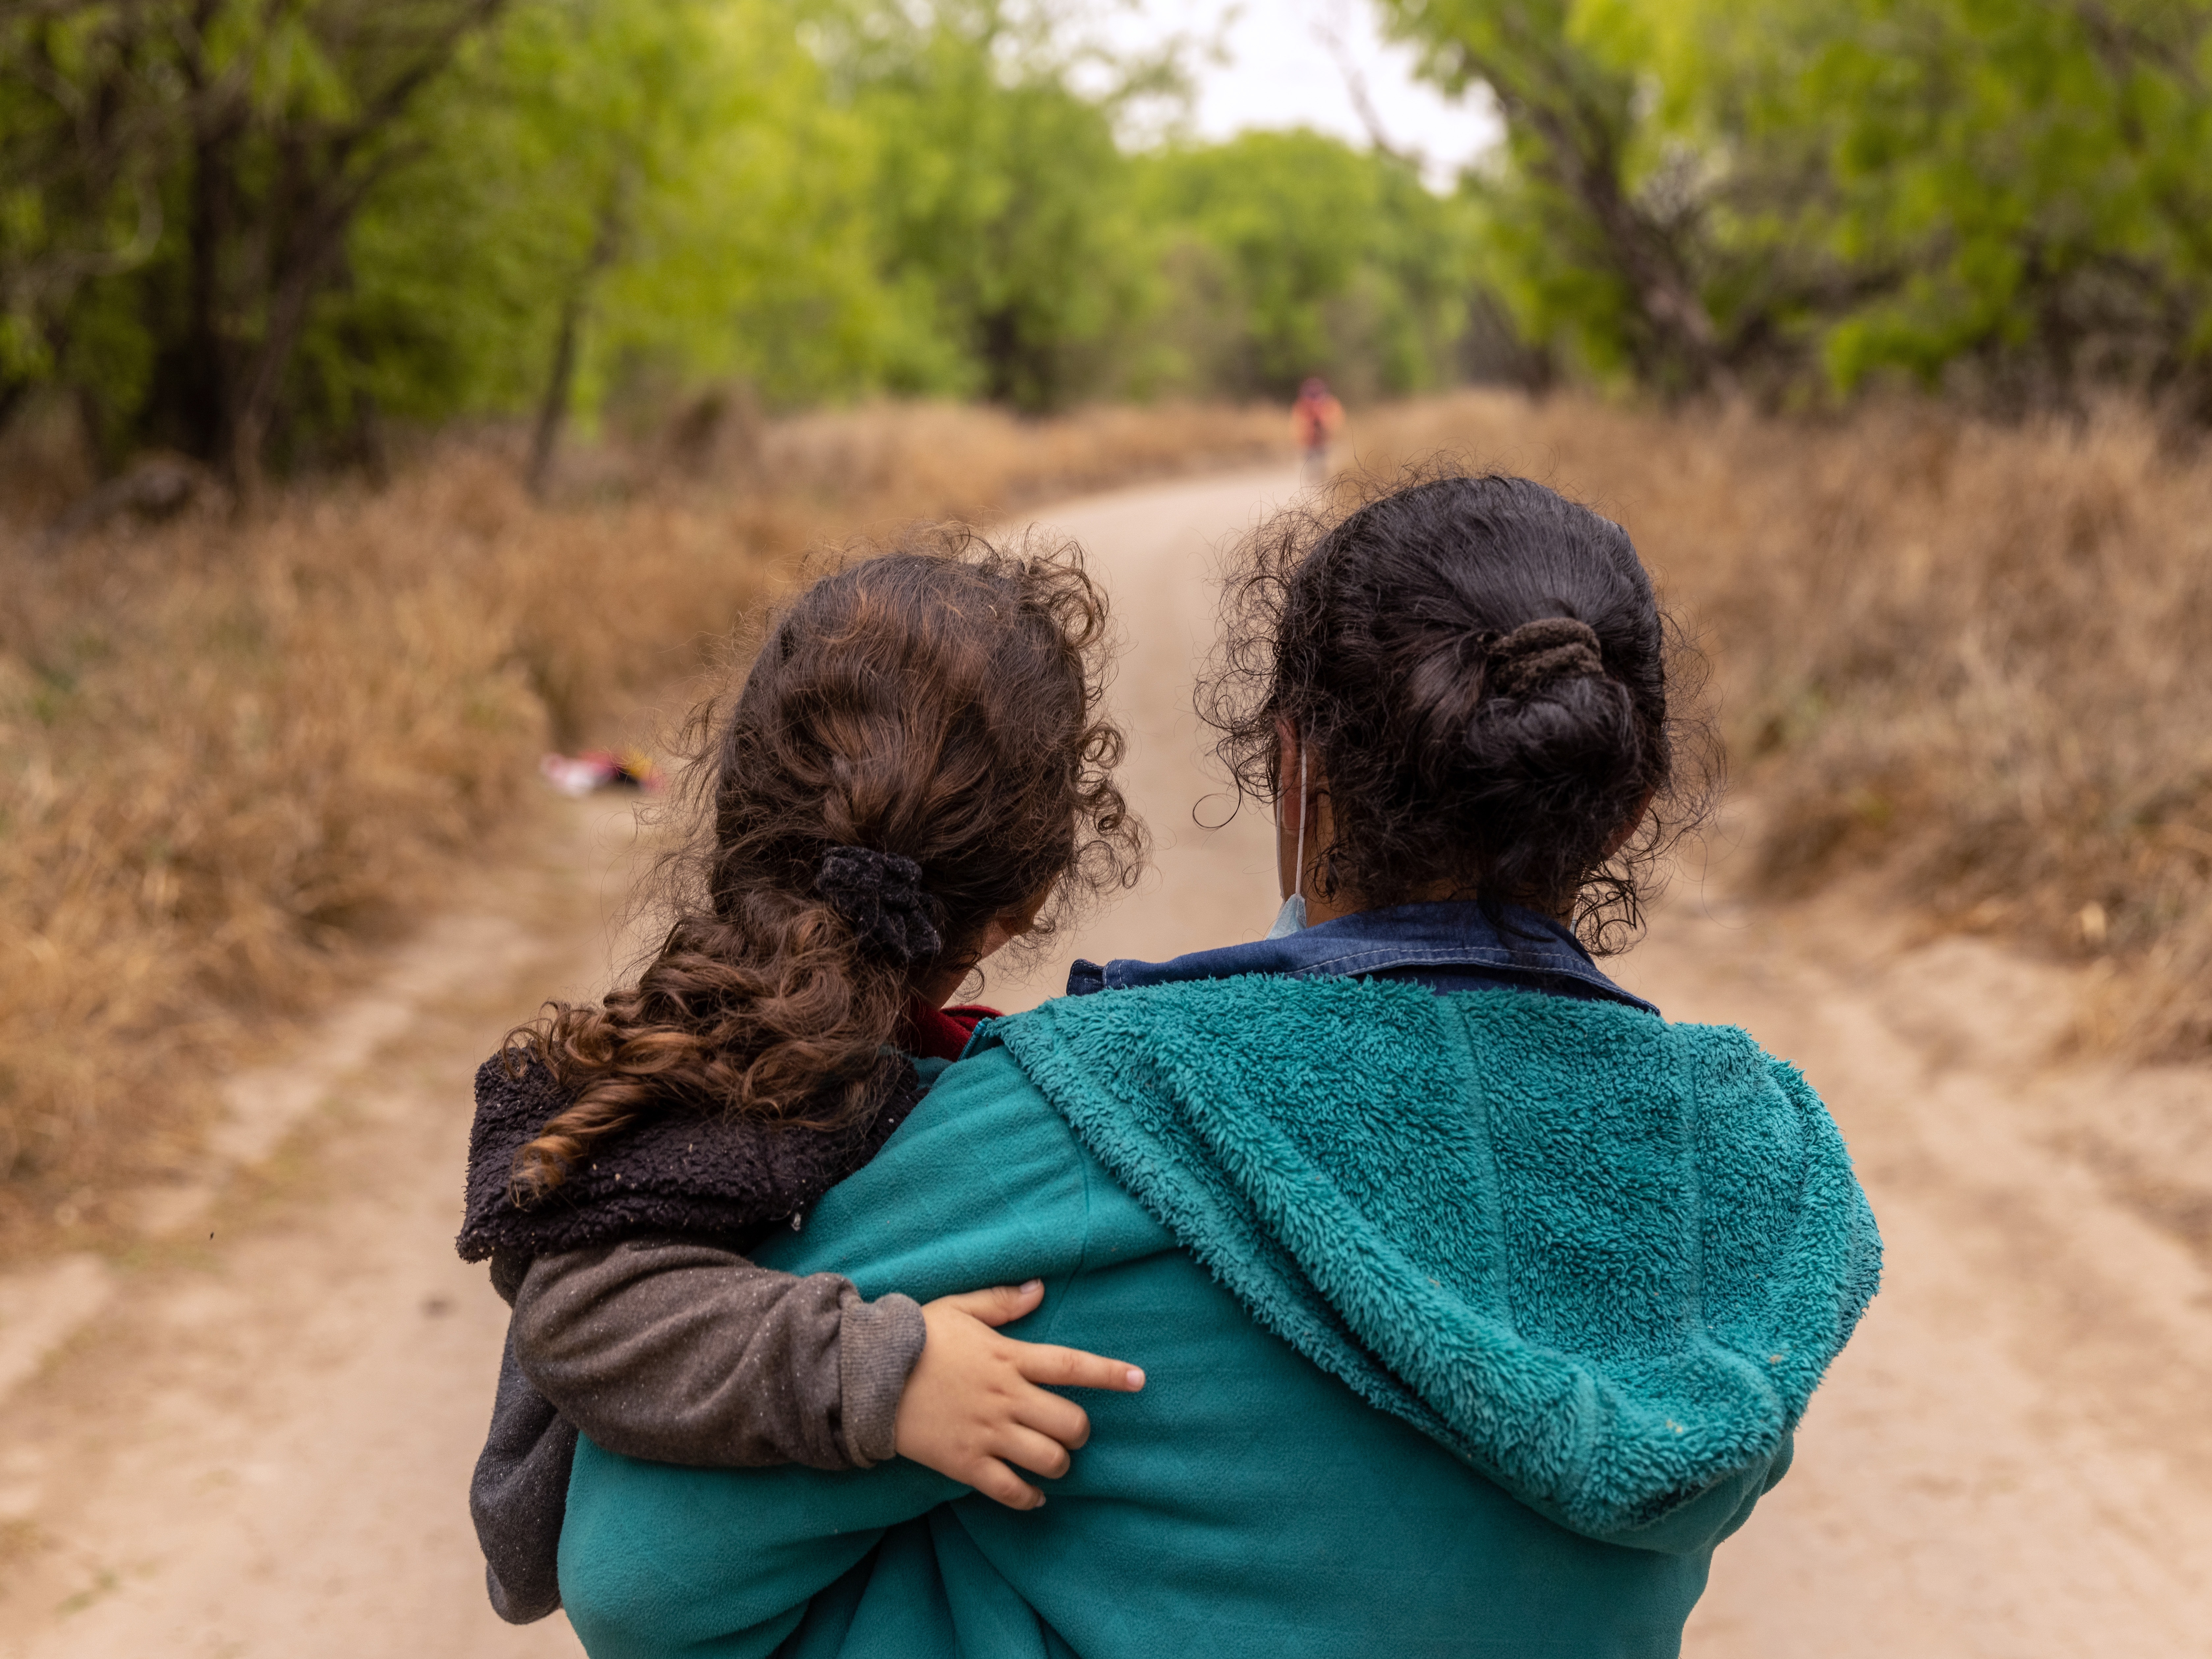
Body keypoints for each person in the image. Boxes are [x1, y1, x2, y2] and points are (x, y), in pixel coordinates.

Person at [553, 473, 1884, 1658]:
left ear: (1291, 768)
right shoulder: (1737, 1163)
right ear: (1626, 805)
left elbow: (635, 1579)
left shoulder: (1100, 1113)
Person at [456, 531, 1149, 1622]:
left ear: (736, 805)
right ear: (1021, 902)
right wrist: (882, 1373)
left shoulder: (895, 1047)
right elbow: (580, 1309)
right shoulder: (757, 1057)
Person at [1291, 375, 1345, 481]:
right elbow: (1298, 426)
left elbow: (1336, 424)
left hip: (1325, 443)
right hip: (1308, 445)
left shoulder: (1331, 405)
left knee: (1323, 468)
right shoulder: (1301, 406)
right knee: (1310, 469)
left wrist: (1323, 423)